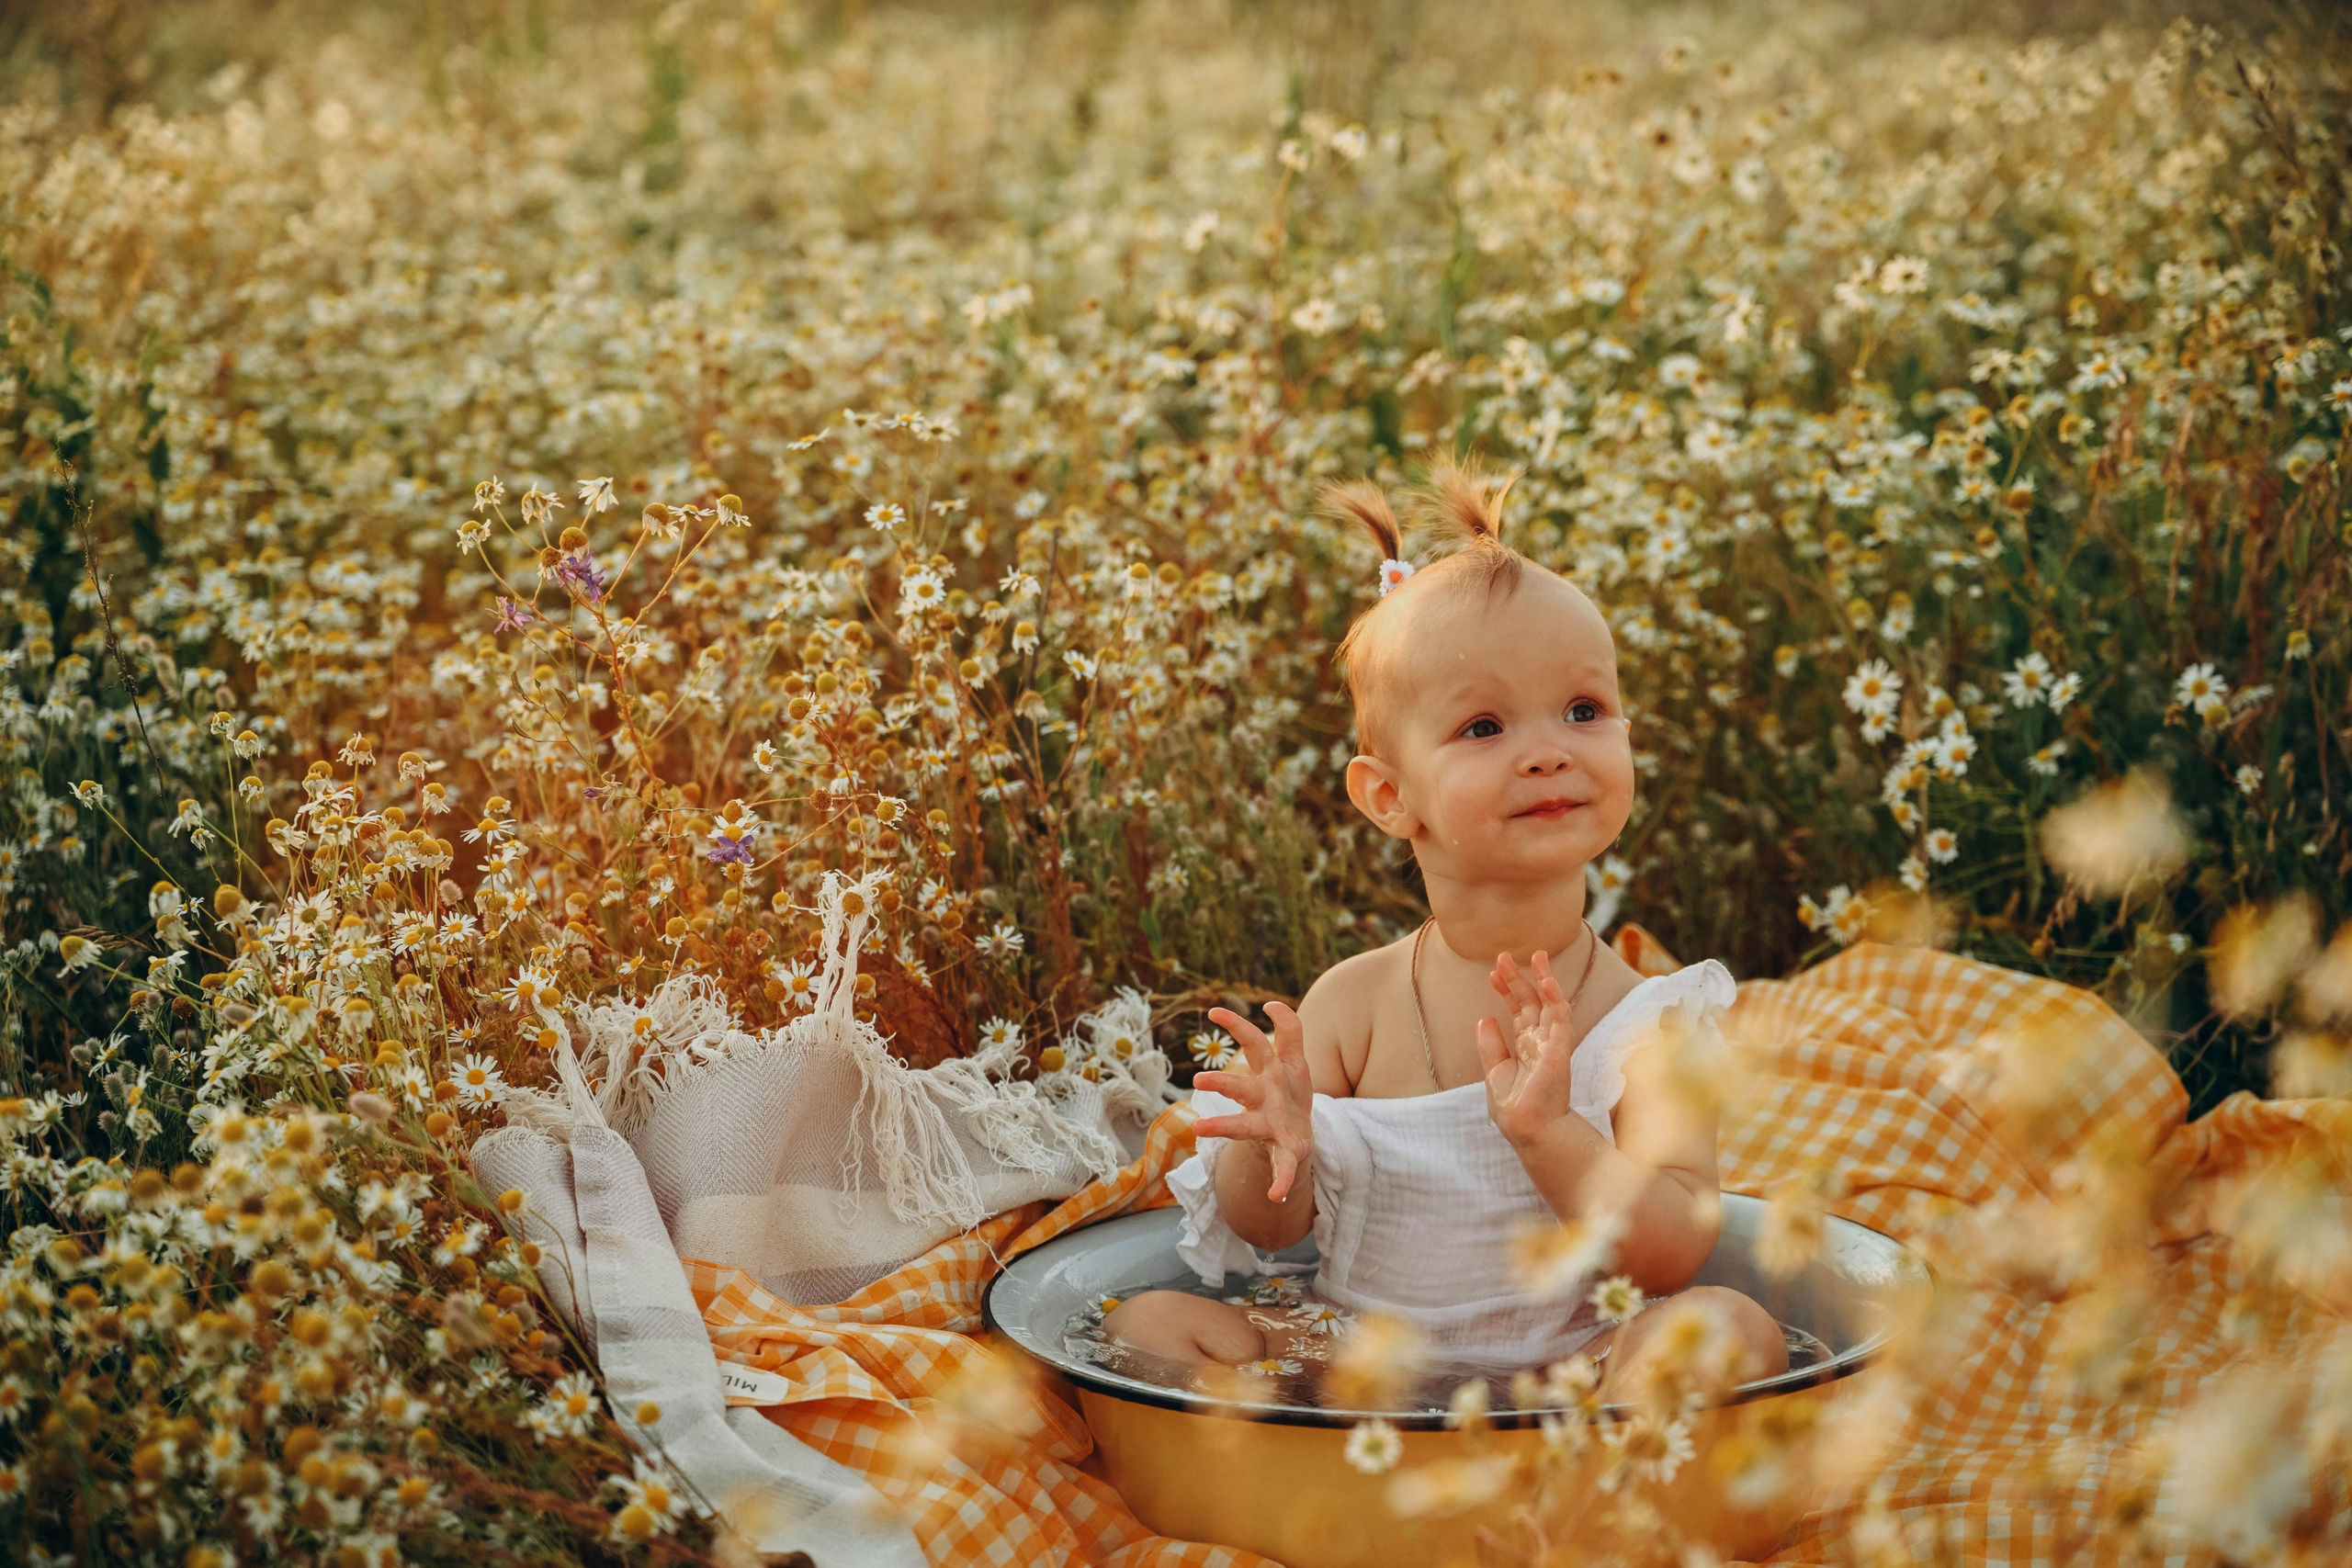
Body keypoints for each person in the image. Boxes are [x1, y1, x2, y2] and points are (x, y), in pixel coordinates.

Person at [1104, 464, 1788, 1405]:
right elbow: (1269, 1233)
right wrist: (1271, 1146)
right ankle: (1315, 1478)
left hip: (1571, 1372)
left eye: (1583, 711)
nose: (1549, 748)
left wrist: (1551, 1136)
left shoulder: (1650, 1023)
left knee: (1728, 1327)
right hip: (1355, 1366)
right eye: (1483, 726)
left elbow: (1672, 1252)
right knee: (1145, 1324)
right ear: (1389, 797)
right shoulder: (1356, 1002)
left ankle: (1588, 1489)